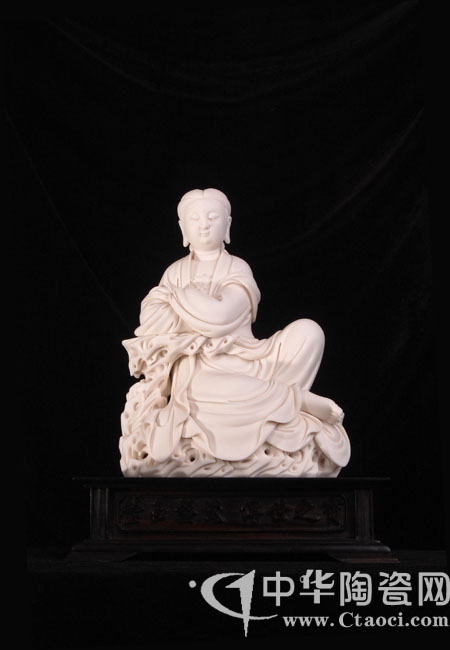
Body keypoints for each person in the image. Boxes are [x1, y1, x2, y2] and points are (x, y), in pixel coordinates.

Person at [120, 188, 350, 477]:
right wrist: (199, 310)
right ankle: (298, 401)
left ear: (227, 225)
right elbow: (151, 320)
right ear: (183, 229)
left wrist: (179, 301)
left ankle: (271, 401)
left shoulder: (237, 267)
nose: (204, 225)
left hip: (248, 357)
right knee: (209, 389)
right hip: (200, 368)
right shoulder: (174, 273)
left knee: (309, 332)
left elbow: (222, 315)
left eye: (213, 217)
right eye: (195, 219)